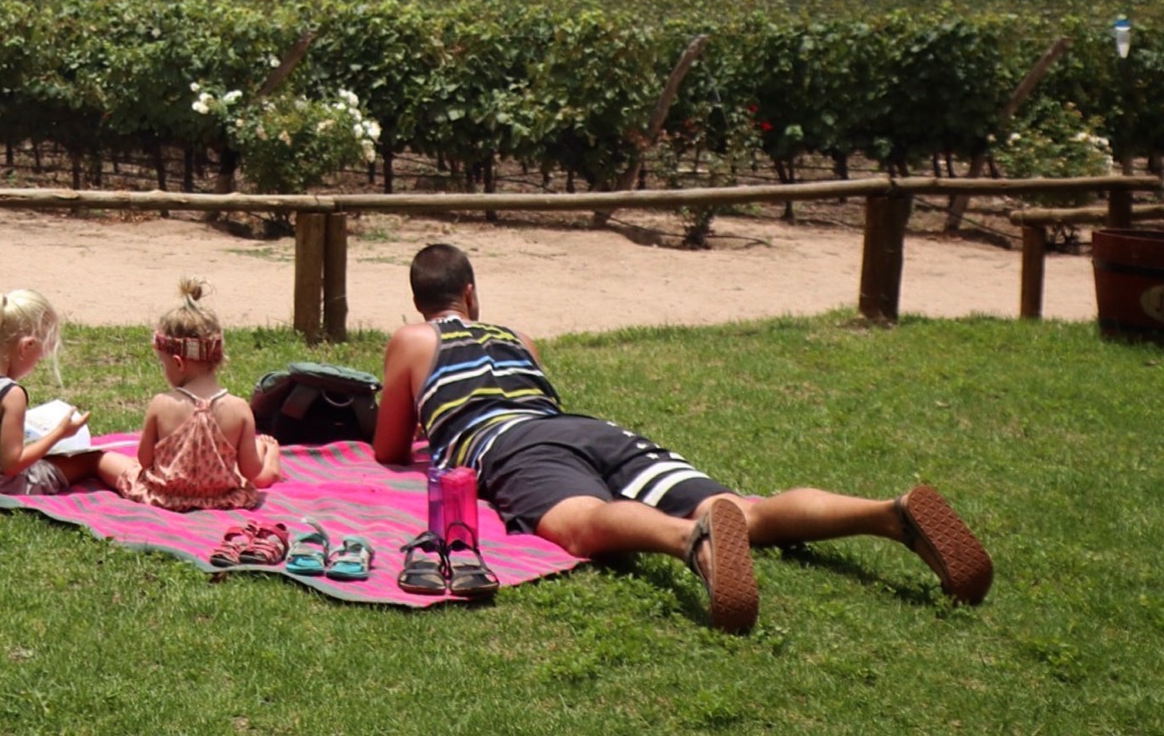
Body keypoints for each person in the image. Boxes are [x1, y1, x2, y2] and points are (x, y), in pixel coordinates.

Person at [373, 243, 993, 633]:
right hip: (587, 428)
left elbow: (390, 449)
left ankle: (689, 541)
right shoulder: (517, 338)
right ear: (471, 293)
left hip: (507, 443)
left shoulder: (412, 339)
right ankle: (888, 514)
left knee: (581, 520)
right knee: (739, 508)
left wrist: (431, 424)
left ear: (419, 301)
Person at [97, 279, 284, 511]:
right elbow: (252, 472)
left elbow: (144, 461)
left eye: (163, 363)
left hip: (165, 496)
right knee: (255, 458)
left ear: (178, 363)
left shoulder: (161, 404)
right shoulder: (239, 409)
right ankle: (270, 453)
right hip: (221, 498)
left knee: (104, 459)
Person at [0, 288, 102, 496]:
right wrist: (60, 433)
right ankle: (135, 483)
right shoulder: (10, 394)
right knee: (92, 459)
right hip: (4, 488)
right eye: (38, 358)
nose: (35, 365)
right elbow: (12, 465)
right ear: (26, 346)